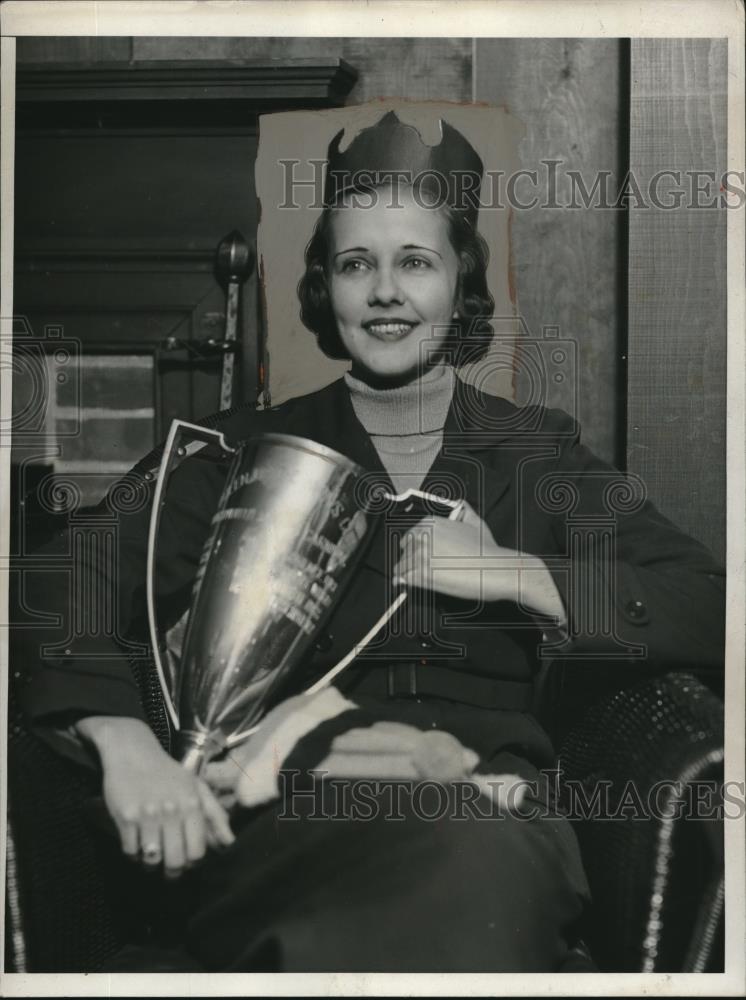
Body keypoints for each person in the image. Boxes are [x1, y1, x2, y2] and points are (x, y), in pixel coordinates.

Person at [17, 110, 725, 972]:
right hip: (289, 814)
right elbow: (63, 574)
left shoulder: (532, 457)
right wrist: (123, 745)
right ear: (327, 288)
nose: (385, 291)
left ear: (462, 280)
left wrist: (513, 571)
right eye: (357, 264)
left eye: (415, 262)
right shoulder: (239, 453)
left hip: (482, 810)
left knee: (466, 872)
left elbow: (710, 601)